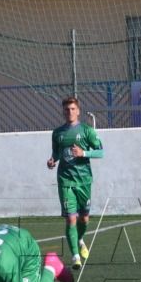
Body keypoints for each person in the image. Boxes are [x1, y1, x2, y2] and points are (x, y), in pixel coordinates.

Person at [47, 96, 104, 268]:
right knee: (71, 219)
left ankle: (79, 239)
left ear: (78, 111)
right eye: (66, 109)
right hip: (65, 181)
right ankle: (75, 257)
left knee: (84, 219)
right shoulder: (57, 133)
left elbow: (100, 152)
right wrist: (52, 160)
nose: (69, 112)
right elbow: (56, 153)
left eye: (73, 109)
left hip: (84, 180)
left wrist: (84, 153)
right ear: (63, 111)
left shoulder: (87, 130)